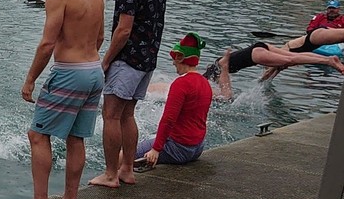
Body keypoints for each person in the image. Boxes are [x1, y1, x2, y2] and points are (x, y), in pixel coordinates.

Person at [8, 0, 105, 199]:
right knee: (76, 138)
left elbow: (47, 43)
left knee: (38, 135)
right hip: (94, 71)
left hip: (69, 72)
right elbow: (99, 38)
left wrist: (30, 80)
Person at [90, 0, 166, 188]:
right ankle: (127, 169)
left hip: (128, 59)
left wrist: (106, 60)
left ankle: (111, 174)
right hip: (147, 61)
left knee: (110, 114)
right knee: (127, 115)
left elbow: (123, 29)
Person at [135, 33, 213, 166]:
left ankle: (111, 176)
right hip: (197, 148)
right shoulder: (205, 83)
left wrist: (156, 149)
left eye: (175, 58)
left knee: (125, 155)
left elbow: (168, 119)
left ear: (181, 58)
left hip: (179, 148)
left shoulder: (181, 84)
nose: (173, 62)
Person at [204, 39, 344, 85]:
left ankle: (328, 61)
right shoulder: (215, 66)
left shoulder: (219, 71)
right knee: (291, 57)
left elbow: (227, 93)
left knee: (290, 59)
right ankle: (328, 59)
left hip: (255, 55)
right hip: (257, 47)